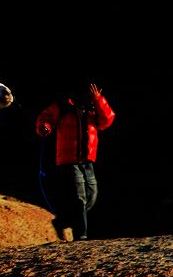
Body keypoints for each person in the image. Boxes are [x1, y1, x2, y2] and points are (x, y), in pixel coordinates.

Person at [35, 82, 115, 241]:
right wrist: (45, 126)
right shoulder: (63, 106)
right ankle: (82, 235)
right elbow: (45, 118)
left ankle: (62, 222)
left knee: (92, 196)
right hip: (69, 160)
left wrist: (99, 100)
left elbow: (107, 120)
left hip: (87, 160)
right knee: (80, 198)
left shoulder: (93, 107)